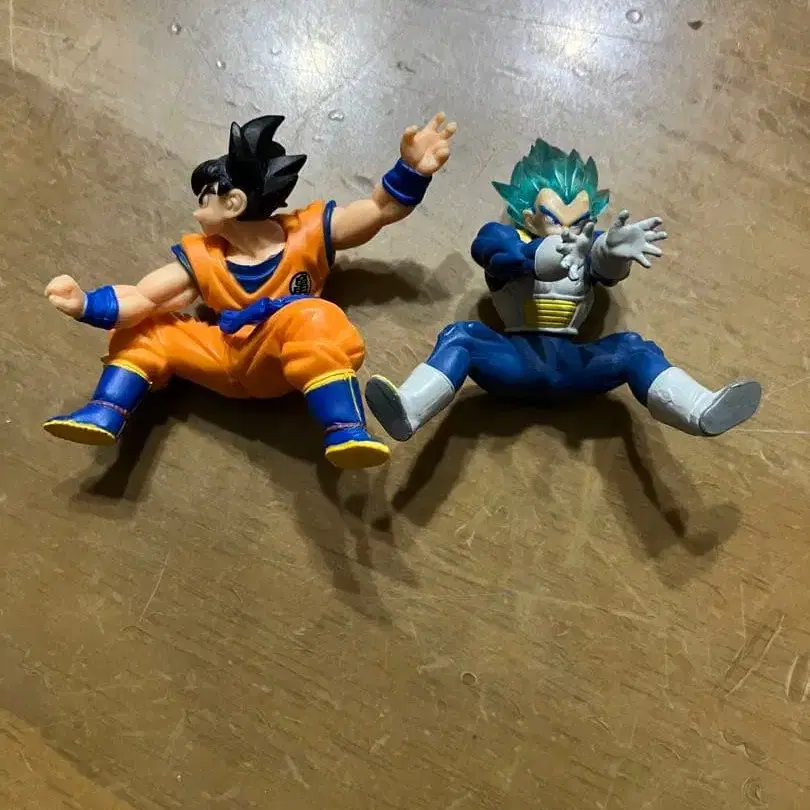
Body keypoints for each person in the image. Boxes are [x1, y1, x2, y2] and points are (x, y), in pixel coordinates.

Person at [43, 112, 456, 470]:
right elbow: (143, 298)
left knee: (313, 314)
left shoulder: (307, 235)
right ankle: (105, 411)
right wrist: (86, 304)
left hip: (283, 358)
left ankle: (346, 429)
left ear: (233, 203)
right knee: (146, 327)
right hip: (224, 357)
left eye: (205, 199)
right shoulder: (204, 258)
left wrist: (411, 171)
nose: (197, 211)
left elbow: (378, 211)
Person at [365, 138, 761, 441]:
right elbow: (499, 256)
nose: (568, 230)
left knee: (634, 348)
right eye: (556, 220)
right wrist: (553, 254)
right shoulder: (502, 236)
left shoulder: (591, 244)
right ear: (529, 215)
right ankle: (410, 407)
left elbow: (603, 269)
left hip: (572, 366)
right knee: (461, 338)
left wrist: (612, 254)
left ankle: (699, 410)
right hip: (513, 362)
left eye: (579, 221)